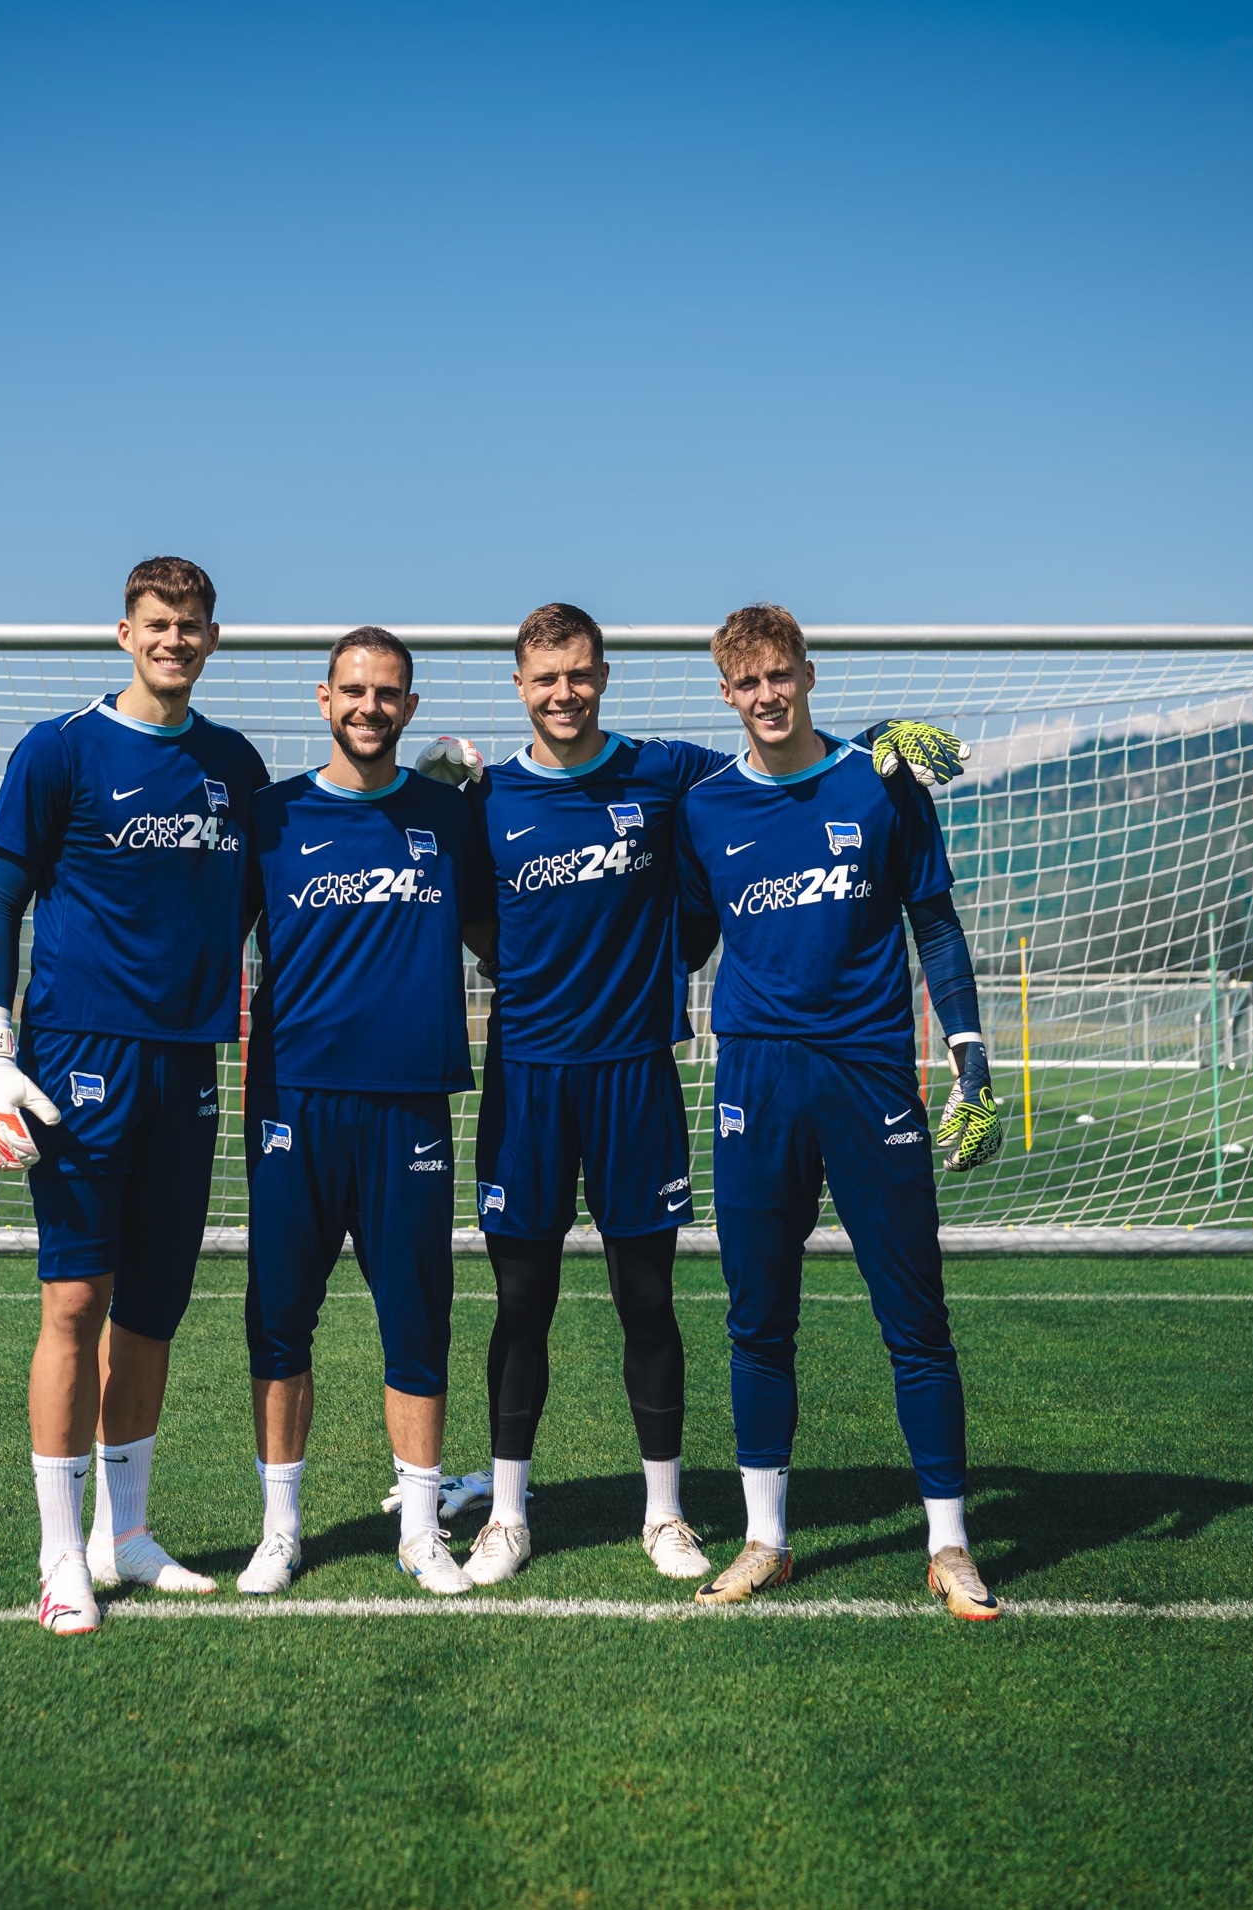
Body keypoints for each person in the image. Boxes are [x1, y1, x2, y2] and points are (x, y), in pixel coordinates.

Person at [676, 603, 1007, 1621]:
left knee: (914, 1317)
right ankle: (766, 1539)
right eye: (748, 683)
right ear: (726, 694)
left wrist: (971, 1060)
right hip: (757, 1081)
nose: (768, 695)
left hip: (869, 1076)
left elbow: (936, 926)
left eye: (781, 675)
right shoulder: (705, 808)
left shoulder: (881, 779)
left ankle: (948, 1544)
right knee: (756, 1317)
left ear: (806, 674)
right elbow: (681, 939)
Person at [0, 556, 272, 1636]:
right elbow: (1, 902)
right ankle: (60, 1556)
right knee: (72, 1303)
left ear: (213, 637)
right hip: (79, 1061)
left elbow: (246, 907)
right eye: (156, 622)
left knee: (152, 1310)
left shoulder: (236, 764)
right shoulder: (60, 750)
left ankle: (126, 1536)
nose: (174, 639)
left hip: (189, 1061)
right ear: (124, 631)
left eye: (191, 623)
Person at [448, 603, 732, 1587]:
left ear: (603, 674)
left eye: (578, 674)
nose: (563, 693)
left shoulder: (662, 772)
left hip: (635, 1071)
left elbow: (771, 756)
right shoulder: (484, 797)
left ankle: (666, 1513)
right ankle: (509, 1516)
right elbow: (472, 912)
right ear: (518, 686)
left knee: (645, 1299)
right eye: (544, 678)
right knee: (521, 1300)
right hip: (527, 1073)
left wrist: (875, 748)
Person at [234, 627, 496, 1597]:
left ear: (411, 707)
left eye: (388, 692)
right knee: (278, 1323)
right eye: (353, 689)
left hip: (411, 1108)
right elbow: (199, 934)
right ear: (323, 697)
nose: (369, 706)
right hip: (293, 1101)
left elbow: (501, 932)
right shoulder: (271, 817)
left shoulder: (448, 817)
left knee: (417, 1322)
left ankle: (422, 1530)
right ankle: (280, 1529)